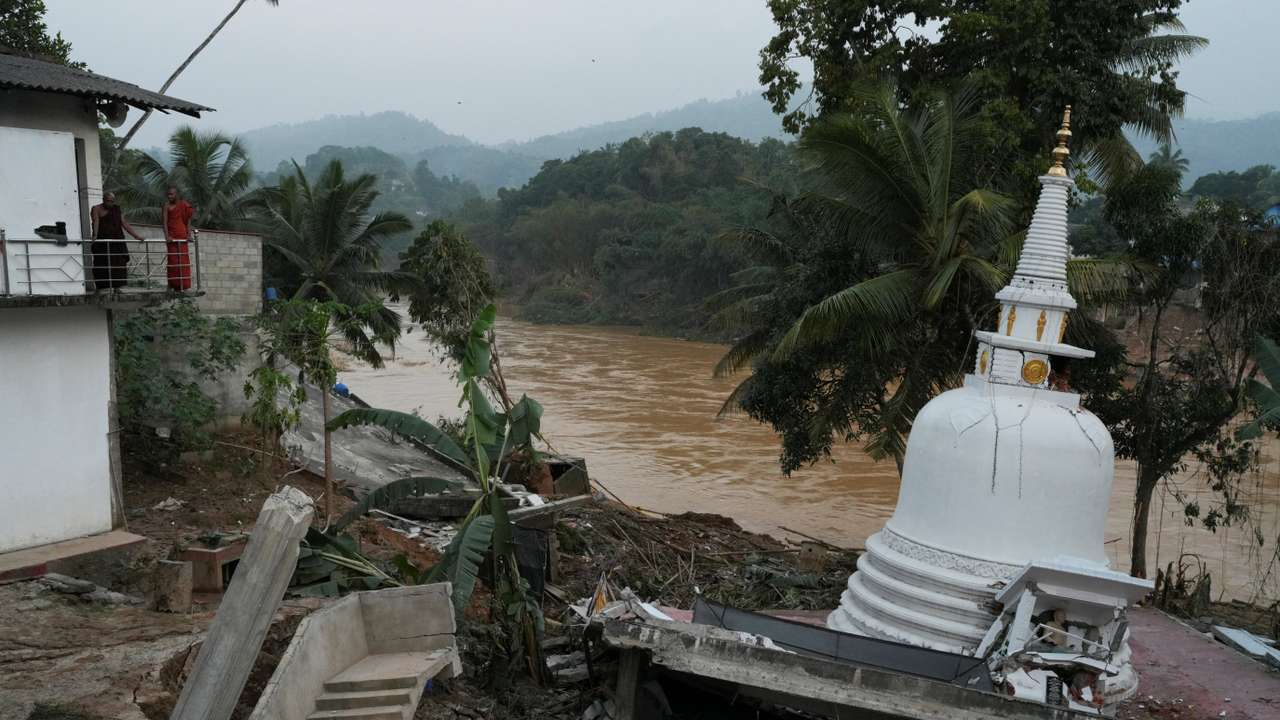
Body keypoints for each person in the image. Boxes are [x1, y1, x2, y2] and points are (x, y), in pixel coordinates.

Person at [89, 192, 143, 290]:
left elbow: (124, 223)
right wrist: (95, 236)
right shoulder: (96, 209)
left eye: (112, 202)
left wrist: (136, 236)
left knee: (118, 264)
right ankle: (101, 288)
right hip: (103, 242)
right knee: (102, 264)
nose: (110, 204)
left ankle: (117, 288)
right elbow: (95, 222)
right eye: (108, 201)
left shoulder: (116, 209)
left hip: (117, 241)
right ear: (103, 199)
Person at [163, 186, 196, 291]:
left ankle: (184, 285)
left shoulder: (184, 205)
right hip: (172, 237)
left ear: (176, 194)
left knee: (183, 261)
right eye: (168, 194)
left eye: (171, 194)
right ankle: (171, 284)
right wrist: (167, 236)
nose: (170, 196)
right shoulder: (166, 206)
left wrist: (189, 234)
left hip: (182, 236)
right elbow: (164, 222)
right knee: (172, 261)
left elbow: (188, 220)